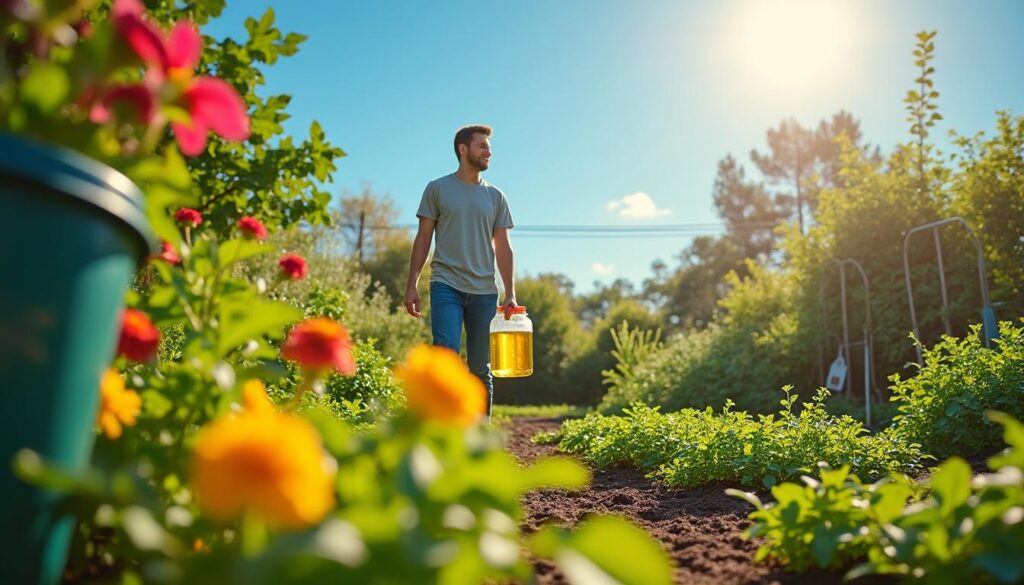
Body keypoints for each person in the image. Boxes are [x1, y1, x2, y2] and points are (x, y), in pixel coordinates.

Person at [404, 124, 517, 416]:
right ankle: (443, 436)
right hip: (446, 286)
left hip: (484, 292)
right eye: (482, 146)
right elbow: (423, 238)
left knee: (481, 368)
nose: (488, 151)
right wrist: (411, 283)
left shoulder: (496, 197)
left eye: (489, 147)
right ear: (462, 149)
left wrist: (510, 292)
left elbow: (503, 247)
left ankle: (479, 439)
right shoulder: (437, 189)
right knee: (445, 360)